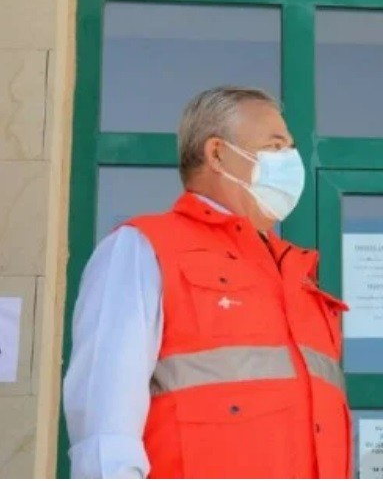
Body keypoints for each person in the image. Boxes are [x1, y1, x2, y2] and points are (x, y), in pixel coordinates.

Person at [63, 86, 351, 479]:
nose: (290, 161)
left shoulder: (298, 278)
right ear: (217, 154)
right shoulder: (143, 249)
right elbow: (105, 427)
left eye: (291, 149)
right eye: (276, 146)